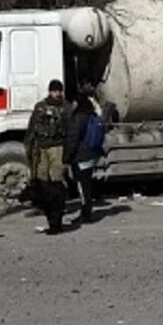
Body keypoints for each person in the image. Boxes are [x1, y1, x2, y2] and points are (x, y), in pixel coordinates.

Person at [24, 80, 70, 234]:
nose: (57, 93)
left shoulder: (66, 107)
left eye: (59, 91)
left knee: (57, 176)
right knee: (41, 177)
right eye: (54, 91)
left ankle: (58, 208)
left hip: (57, 146)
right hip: (41, 146)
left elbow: (70, 129)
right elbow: (32, 126)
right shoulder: (40, 107)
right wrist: (28, 145)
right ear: (50, 91)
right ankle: (42, 206)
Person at [62, 85, 103, 224]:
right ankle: (87, 212)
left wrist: (66, 158)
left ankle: (86, 215)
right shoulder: (92, 114)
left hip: (81, 156)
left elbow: (73, 139)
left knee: (82, 186)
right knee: (87, 184)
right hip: (91, 155)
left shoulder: (78, 117)